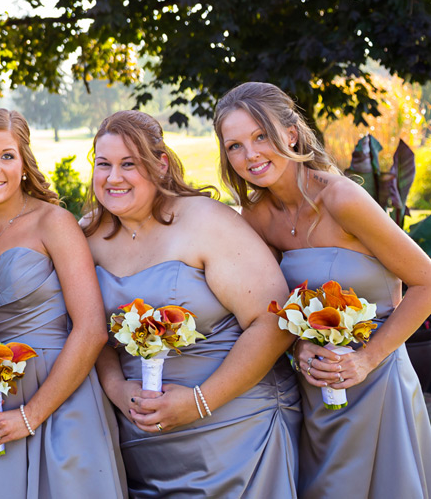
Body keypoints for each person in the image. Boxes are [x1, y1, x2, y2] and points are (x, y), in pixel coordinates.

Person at [215, 81, 431, 498]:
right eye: (235, 146)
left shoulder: (341, 198)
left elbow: (426, 281)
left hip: (377, 380)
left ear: (291, 133)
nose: (251, 155)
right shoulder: (257, 219)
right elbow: (268, 304)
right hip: (315, 387)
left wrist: (367, 359)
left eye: (262, 136)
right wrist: (298, 349)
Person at [87, 110, 300, 498]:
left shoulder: (205, 221)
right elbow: (89, 329)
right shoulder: (88, 236)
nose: (113, 177)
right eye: (104, 164)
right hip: (143, 443)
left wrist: (200, 402)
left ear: (160, 164)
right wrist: (117, 388)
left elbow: (273, 321)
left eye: (129, 164)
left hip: (235, 434)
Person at [0, 109, 126, 498]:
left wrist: (31, 417)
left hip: (62, 391)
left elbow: (91, 329)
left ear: (25, 163)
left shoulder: (54, 223)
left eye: (7, 156)